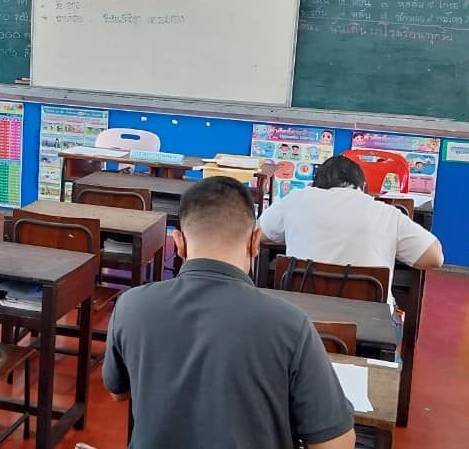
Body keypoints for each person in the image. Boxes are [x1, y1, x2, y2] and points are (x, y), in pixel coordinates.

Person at [103, 177, 356, 449]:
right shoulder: (291, 324)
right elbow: (336, 444)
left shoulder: (130, 306)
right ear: (255, 241)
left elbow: (118, 392)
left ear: (179, 243)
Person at [259, 155, 443, 306]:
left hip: (302, 320)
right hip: (370, 326)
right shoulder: (385, 213)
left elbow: (258, 234)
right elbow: (435, 257)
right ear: (363, 186)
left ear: (314, 185)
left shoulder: (296, 200)